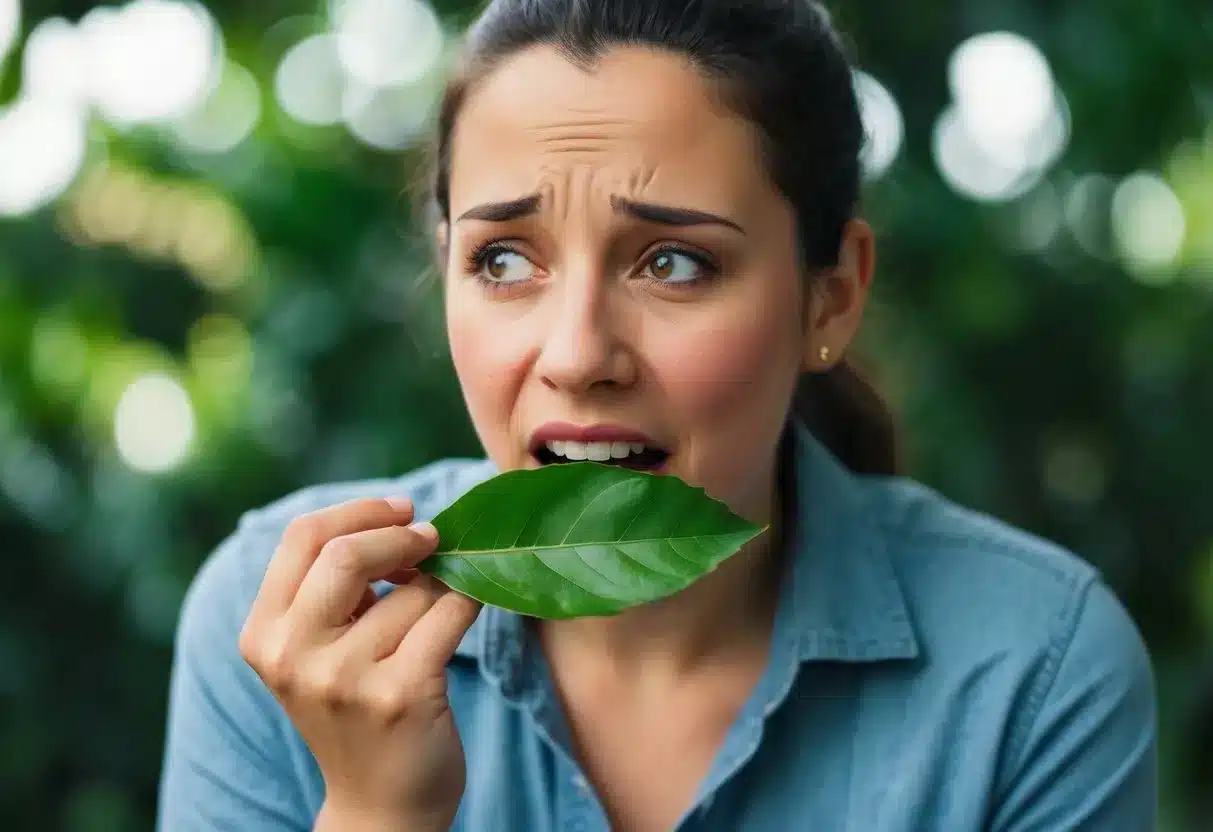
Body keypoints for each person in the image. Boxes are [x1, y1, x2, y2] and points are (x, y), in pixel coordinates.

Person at [156, 0, 1158, 829]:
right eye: (504, 261)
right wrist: (377, 812)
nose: (578, 354)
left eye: (673, 263)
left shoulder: (1031, 669)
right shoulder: (284, 633)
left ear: (831, 296)